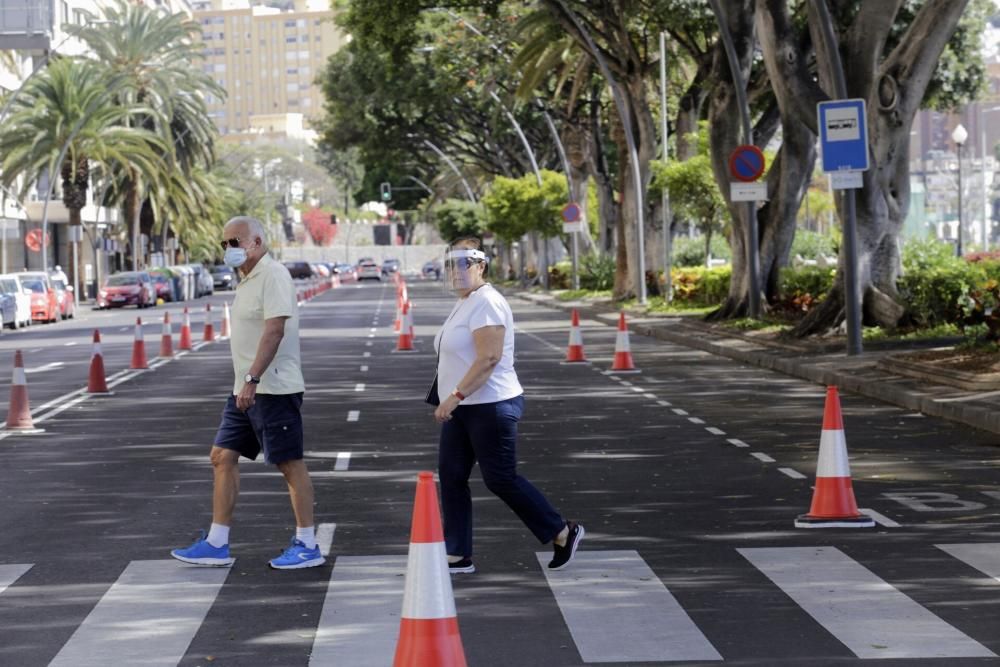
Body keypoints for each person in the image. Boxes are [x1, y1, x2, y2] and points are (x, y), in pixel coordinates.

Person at [171, 216, 324, 570]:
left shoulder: (273, 275)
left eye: (235, 243)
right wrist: (246, 383)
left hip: (272, 388)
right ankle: (216, 542)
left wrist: (253, 378)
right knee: (221, 457)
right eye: (225, 244)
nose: (229, 250)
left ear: (256, 242)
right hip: (245, 389)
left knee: (289, 463)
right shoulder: (247, 280)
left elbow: (274, 331)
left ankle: (307, 544)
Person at [433, 236, 583, 574]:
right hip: (464, 407)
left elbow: (489, 358)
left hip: (491, 404)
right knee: (452, 477)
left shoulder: (487, 302)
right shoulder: (466, 301)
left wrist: (454, 396)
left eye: (463, 263)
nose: (455, 271)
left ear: (481, 265)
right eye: (450, 264)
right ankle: (457, 555)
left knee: (500, 478)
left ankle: (562, 530)